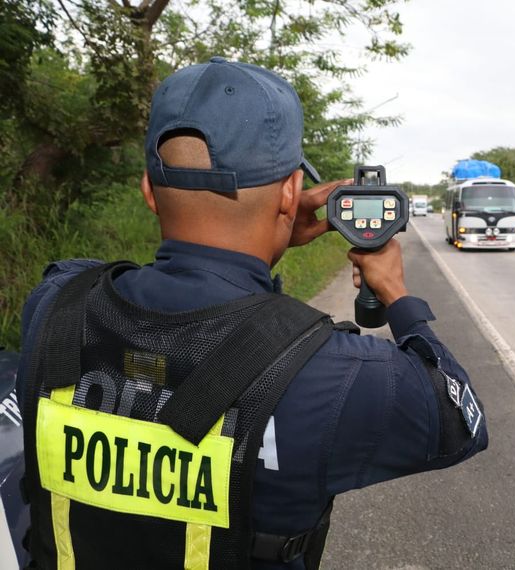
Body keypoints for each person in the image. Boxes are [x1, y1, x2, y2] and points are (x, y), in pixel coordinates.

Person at [17, 57, 487, 569]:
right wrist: (395, 294)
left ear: (149, 191)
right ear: (290, 191)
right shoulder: (338, 374)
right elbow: (462, 421)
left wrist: (274, 230)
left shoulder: (55, 305)